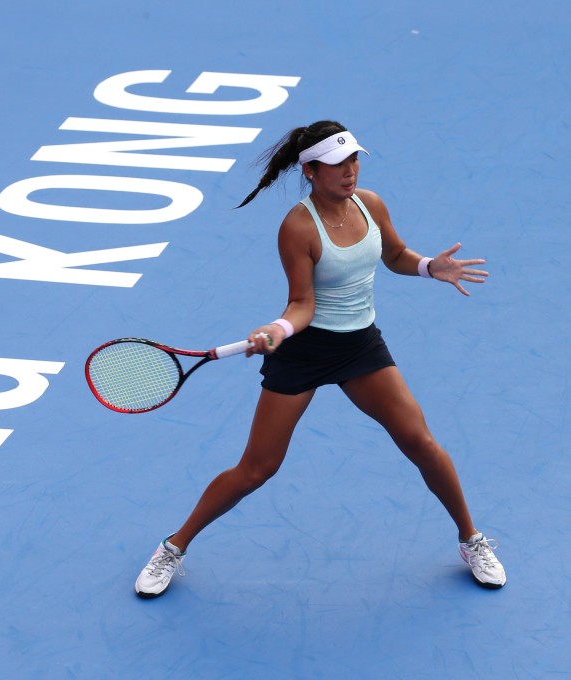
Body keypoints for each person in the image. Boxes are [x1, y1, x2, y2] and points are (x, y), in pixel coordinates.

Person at [134, 121, 506, 598]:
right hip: (306, 351)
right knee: (258, 467)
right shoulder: (297, 227)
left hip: (360, 347)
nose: (349, 172)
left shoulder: (370, 203)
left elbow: (392, 254)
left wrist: (428, 266)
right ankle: (172, 546)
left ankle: (470, 539)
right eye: (336, 165)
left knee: (420, 441)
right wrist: (277, 329)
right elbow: (302, 304)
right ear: (310, 171)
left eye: (353, 160)